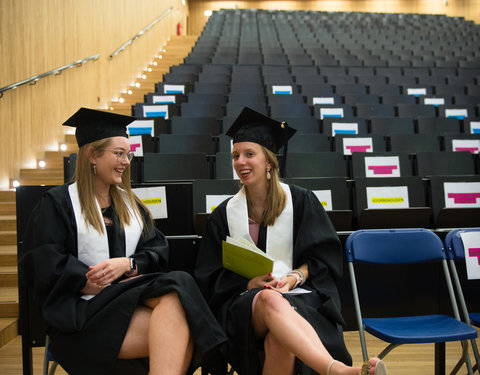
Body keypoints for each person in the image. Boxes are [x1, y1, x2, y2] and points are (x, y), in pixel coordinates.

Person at [19, 108, 226, 375]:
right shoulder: (58, 204)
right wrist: (84, 278)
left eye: (128, 154)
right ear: (93, 155)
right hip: (81, 315)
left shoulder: (130, 204)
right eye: (118, 153)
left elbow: (156, 248)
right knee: (184, 306)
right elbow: (44, 260)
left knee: (178, 302)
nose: (127, 161)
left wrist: (128, 264)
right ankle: (218, 349)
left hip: (127, 302)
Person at [194, 107, 387, 375]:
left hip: (298, 296)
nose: (240, 162)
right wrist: (249, 283)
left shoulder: (301, 202)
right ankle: (338, 371)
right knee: (271, 300)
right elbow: (209, 274)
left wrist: (294, 276)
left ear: (269, 162)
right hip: (242, 304)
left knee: (280, 340)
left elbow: (323, 258)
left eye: (249, 154)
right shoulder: (224, 214)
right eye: (235, 156)